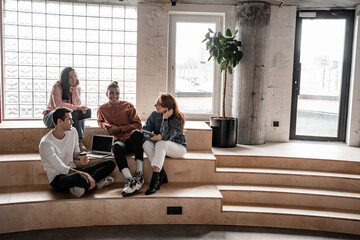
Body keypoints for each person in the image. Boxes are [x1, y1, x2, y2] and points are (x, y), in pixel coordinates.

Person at [39, 107, 116, 198]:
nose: (73, 122)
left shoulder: (73, 131)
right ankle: (96, 185)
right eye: (69, 120)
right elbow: (61, 168)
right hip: (58, 178)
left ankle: (83, 186)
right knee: (79, 177)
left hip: (73, 170)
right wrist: (85, 174)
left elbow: (76, 152)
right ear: (60, 121)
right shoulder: (46, 143)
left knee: (110, 164)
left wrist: (80, 157)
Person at [97, 81, 144, 196]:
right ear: (106, 94)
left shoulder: (128, 106)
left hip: (133, 142)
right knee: (116, 146)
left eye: (117, 93)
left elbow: (138, 125)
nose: (114, 96)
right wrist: (106, 126)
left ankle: (139, 173)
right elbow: (100, 122)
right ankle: (129, 179)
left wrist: (119, 129)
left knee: (136, 133)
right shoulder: (102, 109)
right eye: (111, 93)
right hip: (120, 142)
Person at [142, 93, 187, 195]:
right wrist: (152, 137)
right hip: (161, 145)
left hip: (178, 147)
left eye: (158, 104)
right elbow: (144, 131)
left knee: (161, 143)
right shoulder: (155, 114)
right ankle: (161, 174)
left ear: (166, 107)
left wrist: (165, 118)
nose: (155, 106)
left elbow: (166, 137)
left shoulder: (177, 119)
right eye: (156, 103)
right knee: (146, 144)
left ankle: (154, 181)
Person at [43, 67, 89, 151]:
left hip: (66, 117)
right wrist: (77, 108)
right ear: (65, 78)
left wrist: (75, 88)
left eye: (75, 76)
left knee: (80, 113)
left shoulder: (77, 88)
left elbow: (77, 104)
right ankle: (76, 143)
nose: (73, 79)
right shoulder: (57, 87)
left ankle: (79, 141)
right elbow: (58, 106)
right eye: (70, 77)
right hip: (52, 116)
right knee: (74, 111)